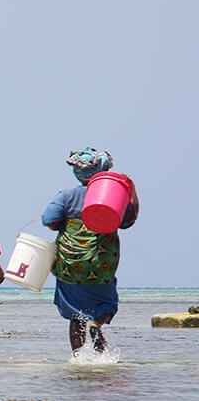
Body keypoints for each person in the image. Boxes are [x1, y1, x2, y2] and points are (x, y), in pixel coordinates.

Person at [42, 147, 139, 354]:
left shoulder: (67, 196)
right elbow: (128, 221)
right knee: (107, 304)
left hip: (70, 266)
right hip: (101, 265)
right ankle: (97, 323)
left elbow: (48, 220)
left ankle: (78, 358)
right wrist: (130, 190)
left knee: (76, 315)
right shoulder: (115, 197)